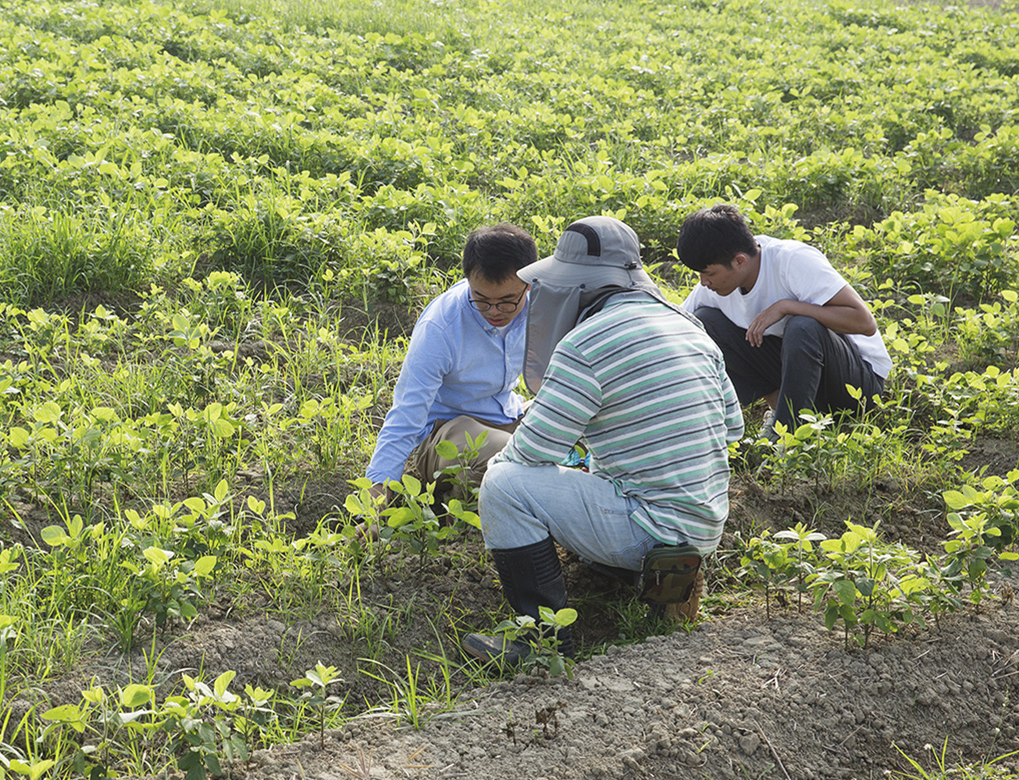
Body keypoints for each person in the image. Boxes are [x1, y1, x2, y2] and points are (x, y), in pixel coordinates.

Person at [463, 216, 746, 667]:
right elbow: (733, 429)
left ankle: (542, 642)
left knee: (504, 484)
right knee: (606, 468)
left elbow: (532, 451)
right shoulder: (692, 329)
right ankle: (638, 577)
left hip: (647, 523)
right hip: (703, 524)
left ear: (575, 287)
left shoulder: (586, 343)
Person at [675, 204, 891, 444]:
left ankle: (788, 437)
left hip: (856, 387)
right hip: (800, 376)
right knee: (706, 323)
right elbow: (679, 329)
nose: (703, 282)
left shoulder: (791, 260)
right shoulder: (718, 280)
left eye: (708, 274)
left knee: (802, 326)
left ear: (739, 261)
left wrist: (787, 306)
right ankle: (783, 414)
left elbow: (864, 322)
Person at [363, 222, 538, 507]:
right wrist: (374, 496)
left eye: (507, 301)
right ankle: (458, 509)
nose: (493, 312)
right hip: (447, 432)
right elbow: (407, 413)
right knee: (505, 456)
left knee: (579, 426)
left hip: (509, 413)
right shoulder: (442, 326)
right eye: (481, 300)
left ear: (529, 284)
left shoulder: (542, 306)